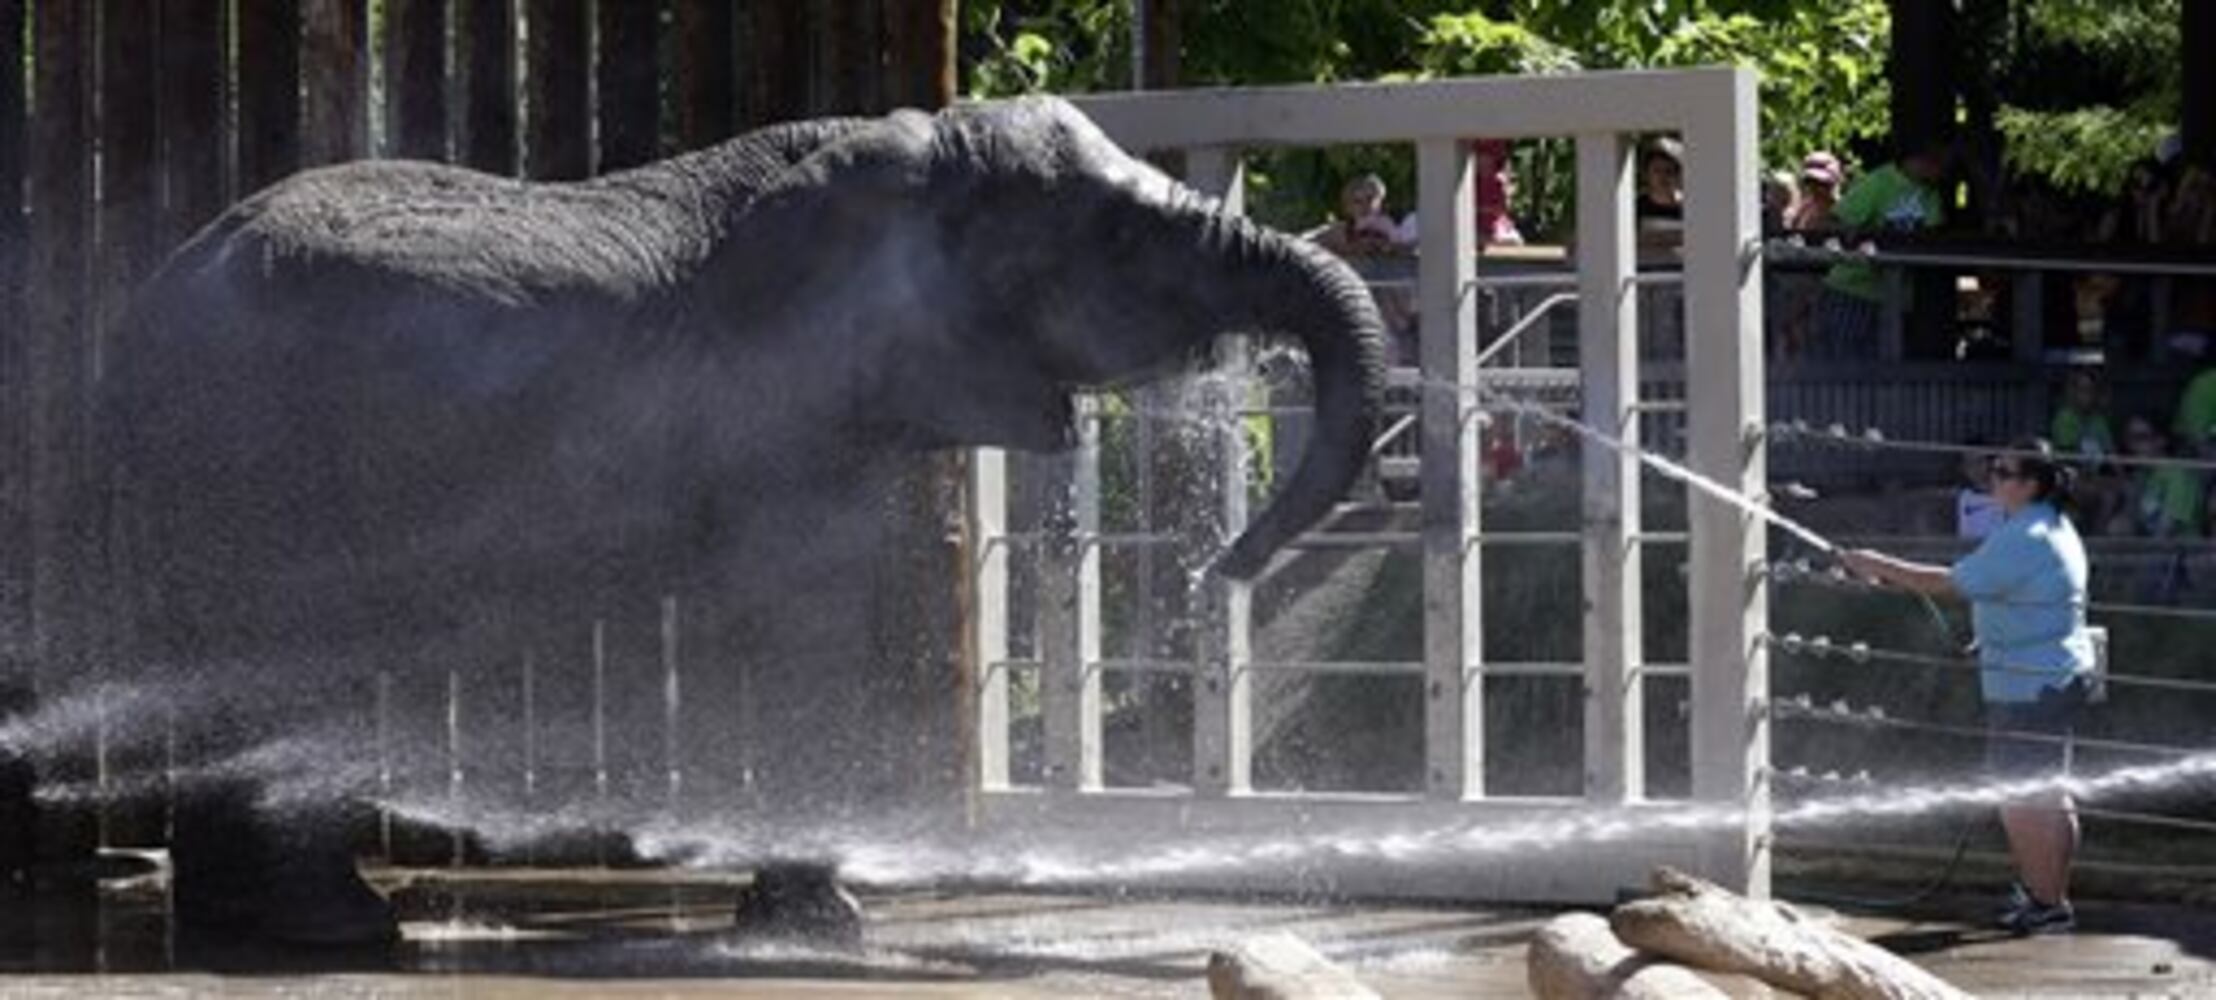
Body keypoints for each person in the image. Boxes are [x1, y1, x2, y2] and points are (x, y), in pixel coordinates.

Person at [1840, 439, 2093, 936]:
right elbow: (2021, 594)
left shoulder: (2026, 535)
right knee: (2048, 793)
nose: (1993, 477)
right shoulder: (2049, 525)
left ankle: (2046, 905)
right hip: (2051, 675)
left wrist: (1877, 565)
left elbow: (1950, 583)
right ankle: (2049, 896)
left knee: (2020, 798)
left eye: (2003, 471)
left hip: (2028, 688)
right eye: (1993, 469)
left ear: (2030, 483)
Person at [1813, 138, 1951, 359]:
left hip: (1896, 297)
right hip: (1851, 290)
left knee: (1886, 367)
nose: (1944, 170)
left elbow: (1931, 239)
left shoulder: (1931, 195)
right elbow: (1833, 222)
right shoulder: (1878, 182)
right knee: (1841, 364)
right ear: (1918, 160)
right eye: (1940, 163)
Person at [1787, 151, 1842, 231]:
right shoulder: (1801, 211)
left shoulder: (1845, 215)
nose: (1817, 189)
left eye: (1823, 184)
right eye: (1810, 182)